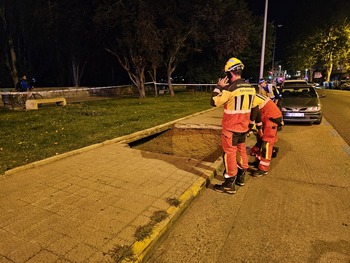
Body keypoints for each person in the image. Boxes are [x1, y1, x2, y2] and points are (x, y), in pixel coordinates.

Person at [210, 57, 256, 194]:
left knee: (229, 154)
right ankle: (241, 177)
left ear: (230, 73)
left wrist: (219, 87)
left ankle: (229, 183)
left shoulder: (230, 89)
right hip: (243, 127)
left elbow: (213, 101)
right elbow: (254, 108)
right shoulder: (251, 88)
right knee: (241, 150)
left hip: (230, 129)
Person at [248, 93, 283, 177]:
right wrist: (258, 127)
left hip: (271, 120)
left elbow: (255, 113)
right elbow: (258, 115)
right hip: (268, 118)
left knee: (266, 145)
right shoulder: (253, 96)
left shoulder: (252, 99)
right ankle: (258, 162)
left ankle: (263, 169)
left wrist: (250, 125)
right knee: (260, 141)